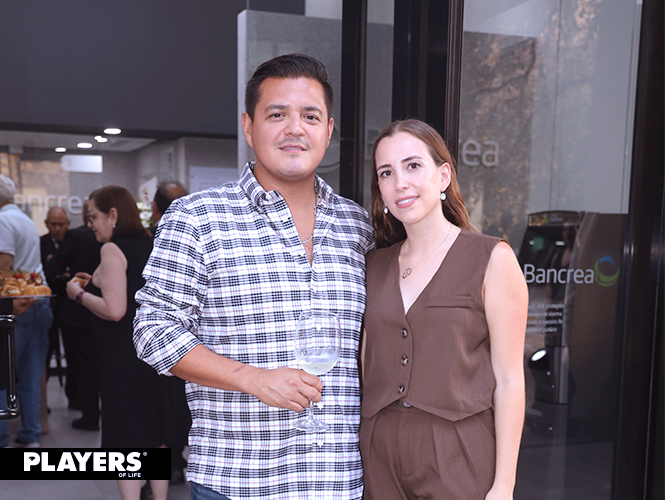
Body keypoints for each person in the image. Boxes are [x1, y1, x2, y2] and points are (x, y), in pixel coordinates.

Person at [134, 53, 373, 500]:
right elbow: (153, 331)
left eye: (310, 116)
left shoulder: (358, 226)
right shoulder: (197, 218)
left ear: (328, 130)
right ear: (248, 126)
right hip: (238, 480)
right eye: (277, 114)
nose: (295, 128)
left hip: (339, 480)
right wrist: (251, 378)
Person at [360, 119, 528, 500]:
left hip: (458, 455)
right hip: (379, 454)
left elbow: (509, 381)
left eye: (413, 165)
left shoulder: (492, 259)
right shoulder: (372, 266)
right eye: (386, 173)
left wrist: (504, 485)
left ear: (443, 176)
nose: (400, 182)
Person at [65, 186, 170, 500]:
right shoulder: (152, 242)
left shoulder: (112, 249)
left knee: (127, 437)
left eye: (94, 217)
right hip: (155, 352)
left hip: (122, 356)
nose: (90, 224)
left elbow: (115, 309)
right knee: (155, 432)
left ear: (112, 214)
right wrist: (95, 281)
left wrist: (79, 294)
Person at [0, 174, 53, 448]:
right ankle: (31, 435)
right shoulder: (25, 220)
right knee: (31, 376)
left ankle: (2, 438)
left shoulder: (3, 221)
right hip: (38, 300)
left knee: (3, 376)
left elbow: (4, 267)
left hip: (15, 306)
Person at [46, 201, 102, 430]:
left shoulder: (76, 236)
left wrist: (65, 274)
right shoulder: (116, 238)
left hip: (78, 311)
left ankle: (89, 414)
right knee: (101, 364)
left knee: (83, 365)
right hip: (107, 309)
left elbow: (52, 269)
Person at [40, 207, 71, 410]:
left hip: (69, 307)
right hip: (48, 306)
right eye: (53, 224)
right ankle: (43, 403)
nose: (57, 228)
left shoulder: (72, 241)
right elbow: (45, 274)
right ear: (46, 224)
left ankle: (74, 398)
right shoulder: (40, 243)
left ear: (67, 223)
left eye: (61, 224)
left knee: (73, 354)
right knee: (45, 352)